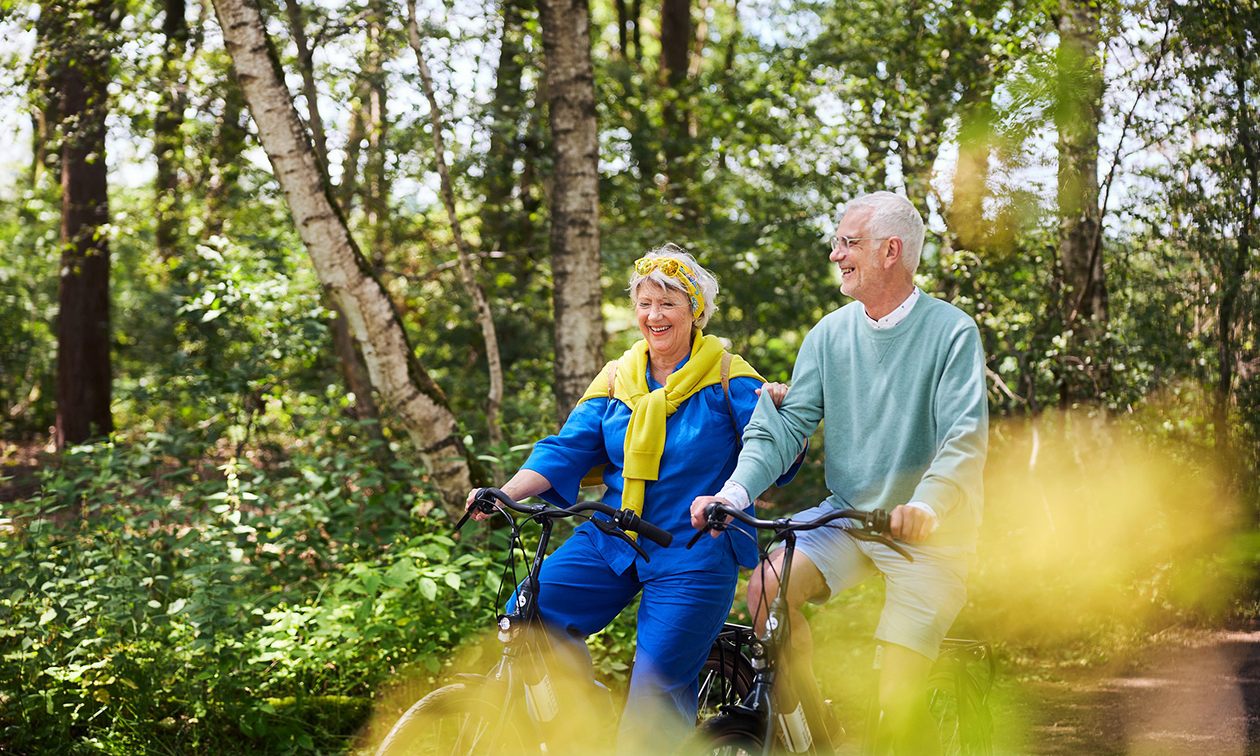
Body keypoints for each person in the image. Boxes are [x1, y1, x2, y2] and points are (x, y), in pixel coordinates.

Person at [466, 244, 801, 753]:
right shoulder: (618, 376)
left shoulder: (728, 376)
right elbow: (566, 448)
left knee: (654, 699)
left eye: (668, 304)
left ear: (695, 311)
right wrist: (504, 493)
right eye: (644, 303)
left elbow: (776, 449)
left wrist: (778, 404)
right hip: (613, 538)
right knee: (529, 615)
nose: (654, 315)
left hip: (694, 550)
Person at [691, 191, 988, 755]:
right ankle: (814, 741)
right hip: (850, 514)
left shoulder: (952, 332)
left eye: (848, 243)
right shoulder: (829, 334)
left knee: (894, 712)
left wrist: (926, 506)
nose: (835, 255)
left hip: (931, 535)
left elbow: (963, 438)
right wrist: (733, 490)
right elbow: (787, 427)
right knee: (764, 591)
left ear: (889, 252)